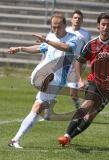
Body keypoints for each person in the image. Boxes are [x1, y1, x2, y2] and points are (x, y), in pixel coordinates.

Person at [7, 13, 79, 149]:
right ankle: (15, 139)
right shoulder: (50, 36)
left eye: (58, 27)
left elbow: (66, 48)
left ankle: (15, 139)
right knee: (41, 77)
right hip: (45, 73)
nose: (55, 30)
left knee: (37, 107)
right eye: (53, 27)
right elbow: (39, 48)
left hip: (58, 80)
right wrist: (20, 48)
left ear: (65, 25)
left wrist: (47, 40)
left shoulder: (73, 38)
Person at [57, 12, 109, 146]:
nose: (105, 27)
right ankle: (66, 135)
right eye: (103, 24)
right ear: (98, 26)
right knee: (86, 106)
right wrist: (79, 79)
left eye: (108, 25)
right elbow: (79, 62)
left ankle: (69, 138)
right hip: (94, 81)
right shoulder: (92, 44)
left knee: (91, 115)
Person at [66, 10, 91, 109]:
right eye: (75, 18)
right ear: (71, 19)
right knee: (52, 88)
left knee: (73, 93)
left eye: (79, 18)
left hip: (75, 64)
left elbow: (88, 50)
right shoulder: (65, 30)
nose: (77, 20)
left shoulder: (85, 34)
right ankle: (47, 113)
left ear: (82, 21)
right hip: (62, 63)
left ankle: (78, 108)